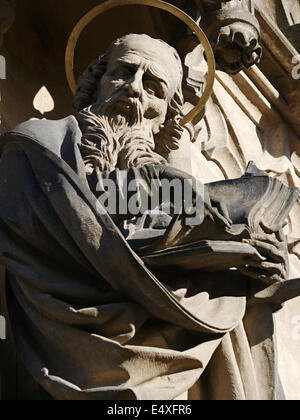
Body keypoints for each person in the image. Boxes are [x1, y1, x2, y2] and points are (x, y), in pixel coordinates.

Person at [0, 34, 290, 400]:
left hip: (179, 348)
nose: (134, 90)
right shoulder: (37, 144)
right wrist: (147, 196)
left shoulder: (179, 189)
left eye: (153, 87)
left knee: (231, 308)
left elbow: (218, 281)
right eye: (123, 73)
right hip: (61, 343)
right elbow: (42, 228)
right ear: (97, 83)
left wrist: (261, 277)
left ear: (167, 115)